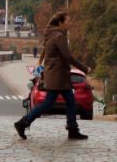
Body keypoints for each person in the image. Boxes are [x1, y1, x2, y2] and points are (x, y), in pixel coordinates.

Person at [14, 11, 90, 141]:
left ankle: (72, 129)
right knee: (53, 103)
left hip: (56, 74)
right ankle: (23, 123)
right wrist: (84, 68)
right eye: (67, 21)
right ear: (60, 23)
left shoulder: (52, 34)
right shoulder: (59, 36)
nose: (69, 23)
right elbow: (68, 56)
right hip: (57, 75)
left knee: (67, 102)